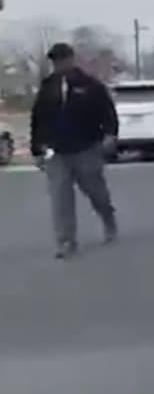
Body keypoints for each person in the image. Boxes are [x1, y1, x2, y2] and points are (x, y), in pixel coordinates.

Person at [29, 43, 120, 259]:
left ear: (71, 59)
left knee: (96, 193)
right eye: (55, 61)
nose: (59, 64)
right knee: (60, 197)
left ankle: (108, 219)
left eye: (62, 59)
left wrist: (110, 135)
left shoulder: (90, 85)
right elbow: (38, 119)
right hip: (57, 151)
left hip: (86, 148)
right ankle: (66, 240)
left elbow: (107, 113)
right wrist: (37, 149)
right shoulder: (48, 87)